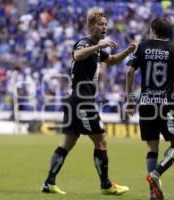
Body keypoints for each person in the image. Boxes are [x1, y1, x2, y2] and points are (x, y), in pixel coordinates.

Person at [41, 9, 137, 195]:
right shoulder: (85, 43)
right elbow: (77, 55)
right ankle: (106, 185)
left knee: (68, 142)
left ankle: (49, 183)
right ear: (91, 26)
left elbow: (112, 60)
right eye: (101, 24)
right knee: (101, 141)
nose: (104, 28)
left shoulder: (95, 48)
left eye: (106, 25)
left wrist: (128, 51)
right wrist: (99, 46)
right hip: (82, 101)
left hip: (75, 101)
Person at [125, 17, 174, 200]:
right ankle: (157, 173)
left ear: (153, 29)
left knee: (152, 147)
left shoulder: (142, 47)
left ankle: (153, 195)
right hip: (166, 104)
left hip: (145, 104)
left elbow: (129, 71)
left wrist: (130, 99)